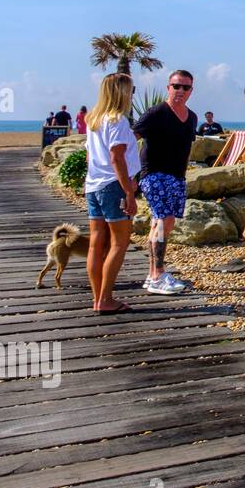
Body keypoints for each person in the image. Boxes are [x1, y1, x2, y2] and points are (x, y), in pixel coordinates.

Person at [133, 69, 198, 296]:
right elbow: (132, 139)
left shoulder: (192, 117)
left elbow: (186, 147)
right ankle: (159, 274)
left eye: (185, 87)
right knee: (163, 219)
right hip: (154, 173)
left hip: (176, 177)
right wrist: (132, 175)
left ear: (191, 90)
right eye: (176, 86)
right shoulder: (156, 112)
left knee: (163, 224)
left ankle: (153, 275)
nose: (180, 91)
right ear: (168, 87)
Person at [83, 73, 140, 314]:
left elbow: (89, 156)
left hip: (94, 185)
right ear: (122, 92)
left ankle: (99, 298)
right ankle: (105, 299)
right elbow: (117, 157)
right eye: (132, 90)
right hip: (113, 185)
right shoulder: (117, 121)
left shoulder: (93, 119)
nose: (133, 94)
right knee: (119, 242)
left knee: (97, 244)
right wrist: (128, 191)